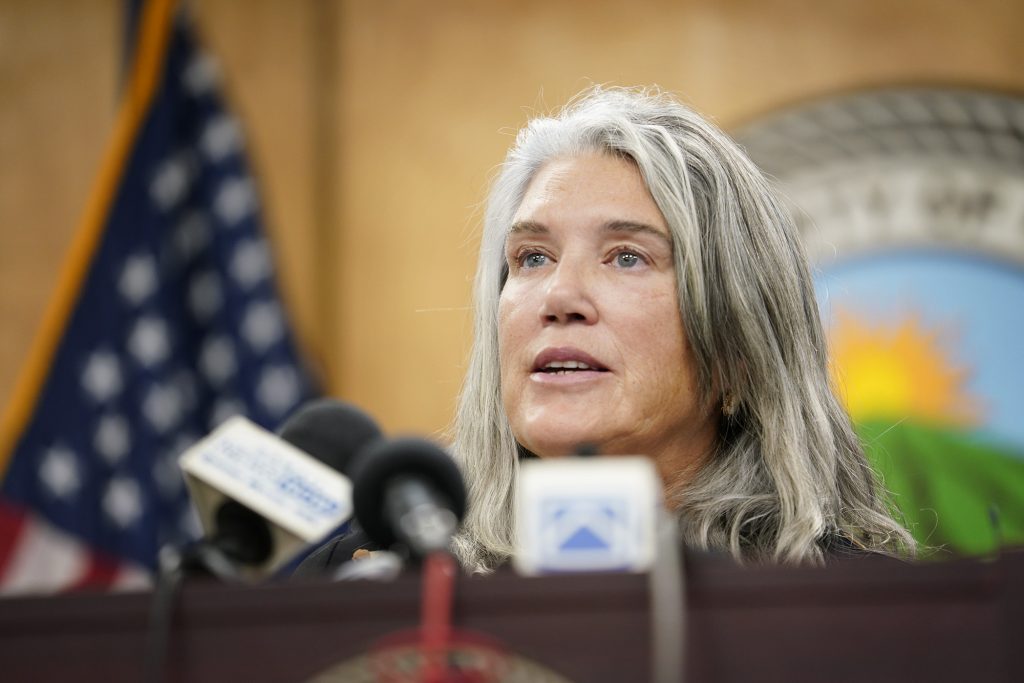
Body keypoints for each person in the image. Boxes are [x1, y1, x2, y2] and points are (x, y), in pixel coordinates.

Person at [448, 85, 914, 573]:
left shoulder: (866, 613)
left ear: (738, 348)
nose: (559, 298)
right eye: (533, 257)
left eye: (627, 257)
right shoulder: (418, 602)